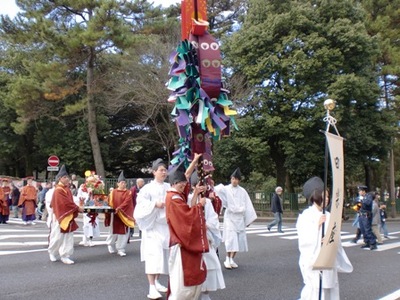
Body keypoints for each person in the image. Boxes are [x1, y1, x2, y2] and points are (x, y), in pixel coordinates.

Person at [296, 176, 353, 300]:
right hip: (314, 260)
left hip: (328, 260)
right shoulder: (306, 216)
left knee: (329, 290)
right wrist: (317, 229)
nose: (327, 199)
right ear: (315, 196)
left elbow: (336, 237)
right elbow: (304, 240)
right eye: (324, 196)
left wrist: (330, 240)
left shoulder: (329, 215)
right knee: (314, 290)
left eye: (328, 196)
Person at [165, 161, 209, 300]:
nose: (183, 185)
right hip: (181, 244)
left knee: (185, 279)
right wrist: (199, 206)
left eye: (184, 182)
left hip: (182, 242)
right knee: (181, 283)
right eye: (180, 183)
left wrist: (195, 193)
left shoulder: (175, 196)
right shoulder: (173, 198)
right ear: (173, 183)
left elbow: (188, 211)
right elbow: (187, 218)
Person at [134, 158, 170, 300]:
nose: (164, 172)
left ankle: (157, 281)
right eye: (161, 170)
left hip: (165, 226)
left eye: (165, 170)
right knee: (153, 256)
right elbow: (140, 205)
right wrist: (155, 204)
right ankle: (151, 287)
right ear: (154, 172)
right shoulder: (147, 189)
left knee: (162, 257)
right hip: (152, 226)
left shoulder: (168, 187)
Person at [188, 169, 225, 300]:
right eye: (199, 185)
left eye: (203, 184)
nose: (202, 187)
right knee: (194, 267)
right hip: (193, 239)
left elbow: (213, 218)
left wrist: (207, 225)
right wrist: (197, 204)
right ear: (193, 186)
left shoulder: (207, 201)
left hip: (206, 236)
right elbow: (187, 216)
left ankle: (206, 293)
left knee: (209, 265)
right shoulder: (188, 199)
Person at [214, 167, 257, 270]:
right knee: (230, 239)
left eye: (236, 179)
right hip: (230, 217)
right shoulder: (226, 189)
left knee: (238, 240)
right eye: (233, 178)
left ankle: (232, 259)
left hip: (239, 218)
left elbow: (248, 205)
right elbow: (216, 190)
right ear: (231, 179)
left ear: (239, 180)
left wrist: (248, 219)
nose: (234, 181)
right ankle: (227, 258)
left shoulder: (243, 191)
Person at [48, 165, 83, 264]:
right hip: (61, 216)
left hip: (68, 215)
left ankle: (65, 255)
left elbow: (70, 201)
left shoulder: (66, 189)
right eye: (65, 177)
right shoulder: (58, 190)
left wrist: (77, 206)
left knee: (68, 236)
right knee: (57, 237)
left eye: (67, 177)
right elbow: (65, 203)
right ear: (60, 178)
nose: (67, 179)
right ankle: (52, 252)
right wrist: (77, 208)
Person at [105, 171, 134, 257]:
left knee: (123, 232)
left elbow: (127, 202)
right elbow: (109, 201)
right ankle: (110, 244)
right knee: (113, 231)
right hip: (115, 214)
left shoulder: (128, 192)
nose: (123, 184)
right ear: (118, 183)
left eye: (124, 183)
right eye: (121, 182)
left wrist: (119, 208)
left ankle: (121, 249)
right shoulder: (113, 192)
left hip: (123, 214)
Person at [357, 186, 377, 250]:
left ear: (363, 191)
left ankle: (373, 243)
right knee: (363, 229)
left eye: (360, 191)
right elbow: (358, 205)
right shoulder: (362, 197)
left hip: (366, 215)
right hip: (361, 215)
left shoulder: (368, 196)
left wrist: (361, 200)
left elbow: (368, 203)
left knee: (367, 229)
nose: (359, 192)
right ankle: (367, 242)